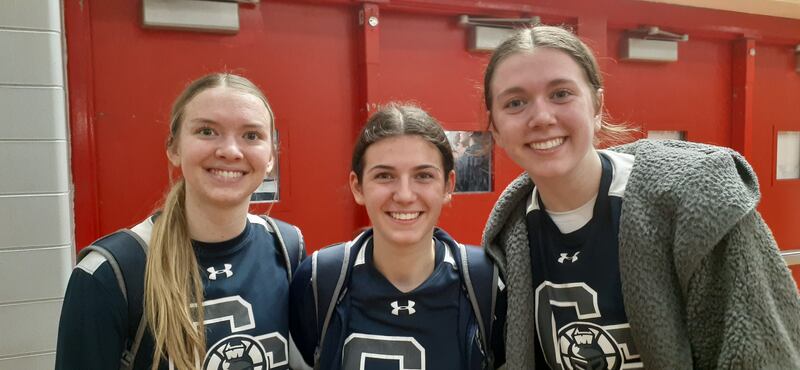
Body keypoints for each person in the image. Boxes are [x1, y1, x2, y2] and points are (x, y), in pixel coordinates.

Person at [481, 26, 800, 369]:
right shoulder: (509, 235)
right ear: (496, 128)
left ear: (597, 106)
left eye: (561, 94)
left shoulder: (697, 197)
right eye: (515, 102)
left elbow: (764, 353)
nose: (542, 118)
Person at [56, 73, 305, 370]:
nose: (229, 150)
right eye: (207, 131)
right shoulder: (109, 274)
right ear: (174, 148)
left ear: (270, 160)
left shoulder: (288, 248)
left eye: (251, 135)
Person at [289, 103, 505, 369]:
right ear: (358, 187)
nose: (404, 195)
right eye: (384, 175)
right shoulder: (317, 281)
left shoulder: (487, 283)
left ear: (448, 186)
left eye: (423, 175)